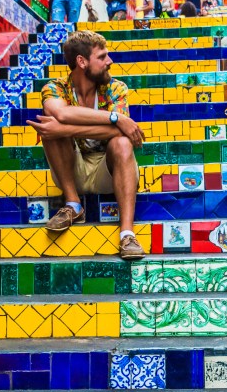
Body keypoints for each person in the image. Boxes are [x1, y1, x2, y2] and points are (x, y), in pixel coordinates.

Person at [27, 31, 146, 260]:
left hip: (109, 170)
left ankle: (127, 234)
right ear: (81, 62)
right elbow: (60, 111)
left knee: (120, 142)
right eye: (102, 57)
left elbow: (123, 133)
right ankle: (73, 205)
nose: (109, 62)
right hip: (73, 169)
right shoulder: (55, 88)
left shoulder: (116, 88)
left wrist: (65, 127)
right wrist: (114, 119)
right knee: (52, 128)